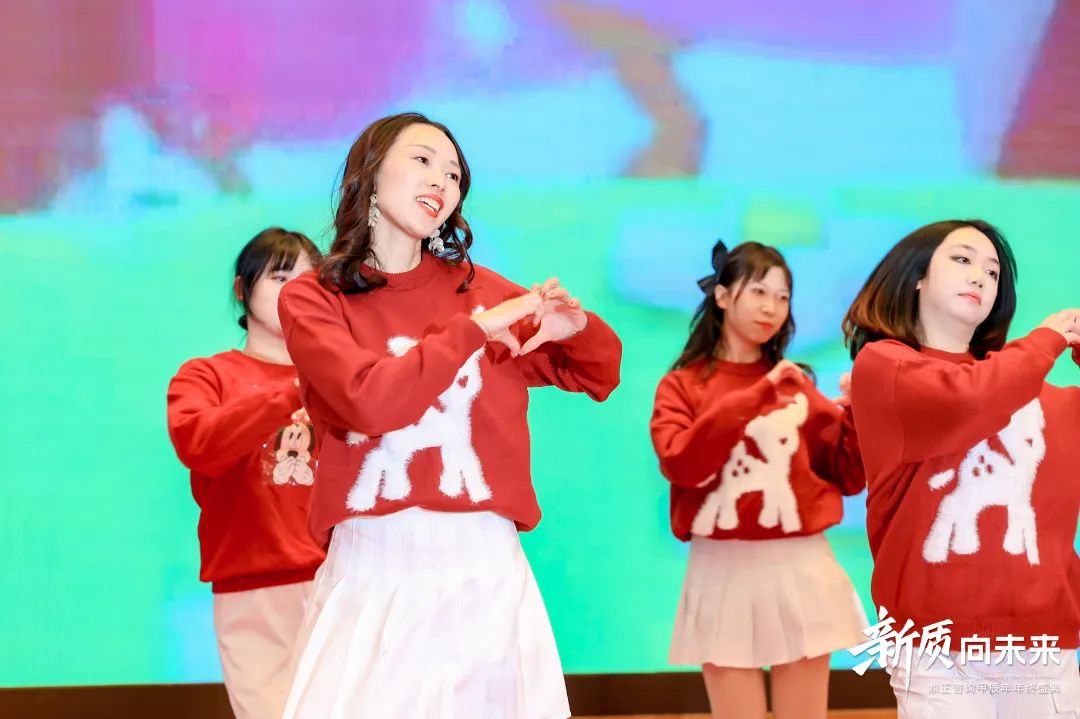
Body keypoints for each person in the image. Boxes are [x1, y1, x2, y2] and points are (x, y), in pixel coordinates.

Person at [277, 112, 623, 718]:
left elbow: (599, 372)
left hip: (483, 564)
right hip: (372, 563)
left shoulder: (479, 290)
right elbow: (365, 401)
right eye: (422, 160)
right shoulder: (314, 297)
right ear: (369, 175)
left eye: (455, 174)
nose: (442, 181)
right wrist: (474, 331)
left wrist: (577, 327)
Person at [843, 218, 1080, 717]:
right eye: (962, 259)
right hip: (934, 647)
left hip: (1041, 641)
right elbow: (968, 399)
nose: (979, 277)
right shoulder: (885, 367)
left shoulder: (1036, 391)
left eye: (992, 273)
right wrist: (1046, 340)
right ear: (916, 277)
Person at [650, 239, 867, 719]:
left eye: (783, 297)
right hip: (721, 568)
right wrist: (756, 395)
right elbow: (682, 464)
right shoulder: (681, 387)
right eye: (759, 292)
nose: (772, 307)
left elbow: (847, 475)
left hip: (801, 564)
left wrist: (856, 415)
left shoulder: (795, 384)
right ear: (722, 296)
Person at [166, 228, 327, 719]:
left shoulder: (337, 378)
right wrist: (294, 389)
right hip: (253, 584)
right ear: (242, 289)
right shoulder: (206, 376)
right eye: (280, 278)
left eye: (308, 281)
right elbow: (200, 446)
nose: (294, 292)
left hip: (340, 578)